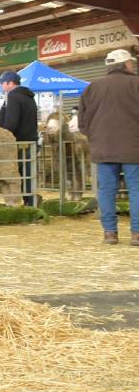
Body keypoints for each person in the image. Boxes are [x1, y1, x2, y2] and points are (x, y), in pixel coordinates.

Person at [79, 48, 139, 246]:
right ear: (126, 64)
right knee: (136, 190)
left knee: (106, 191)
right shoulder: (136, 83)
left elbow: (82, 122)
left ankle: (110, 233)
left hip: (103, 149)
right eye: (132, 62)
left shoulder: (92, 88)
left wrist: (95, 138)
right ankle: (137, 234)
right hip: (134, 148)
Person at [0, 70, 37, 206]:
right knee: (28, 171)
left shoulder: (13, 97)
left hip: (18, 142)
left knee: (20, 172)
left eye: (2, 84)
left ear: (10, 83)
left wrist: (3, 135)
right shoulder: (28, 96)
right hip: (31, 140)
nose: (1, 87)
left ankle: (28, 201)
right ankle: (30, 200)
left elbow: (11, 123)